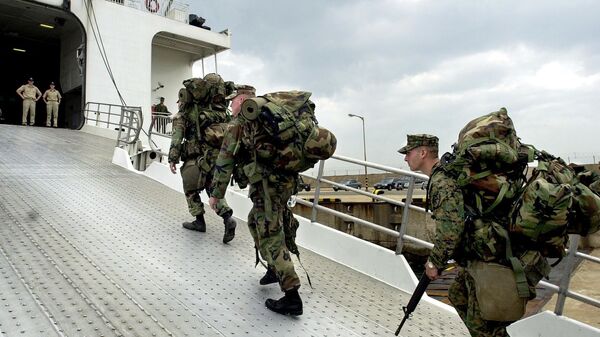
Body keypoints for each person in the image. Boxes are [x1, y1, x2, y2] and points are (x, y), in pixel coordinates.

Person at [399, 133, 515, 337]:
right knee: (458, 294)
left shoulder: (442, 181)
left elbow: (451, 227)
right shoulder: (445, 174)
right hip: (479, 252)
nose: (405, 158)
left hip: (485, 256)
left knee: (482, 324)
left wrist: (435, 262)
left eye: (408, 153)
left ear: (423, 152)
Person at [209, 85, 303, 316]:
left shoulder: (240, 124)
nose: (231, 105)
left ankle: (292, 296)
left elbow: (225, 159)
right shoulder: (268, 119)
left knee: (271, 235)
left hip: (267, 188)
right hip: (284, 183)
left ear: (242, 100)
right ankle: (273, 268)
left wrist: (216, 194)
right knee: (254, 221)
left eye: (233, 101)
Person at [168, 73, 237, 244]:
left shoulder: (190, 109)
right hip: (219, 157)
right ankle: (227, 217)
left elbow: (177, 134)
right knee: (213, 187)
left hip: (198, 156)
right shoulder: (222, 110)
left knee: (190, 186)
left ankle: (199, 221)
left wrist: (173, 158)